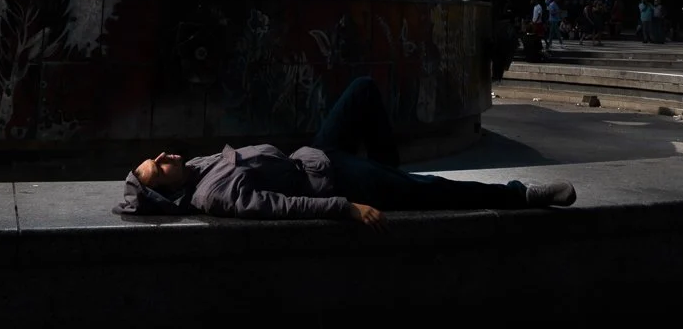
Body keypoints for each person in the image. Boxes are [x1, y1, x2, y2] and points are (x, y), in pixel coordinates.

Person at [114, 77, 576, 223]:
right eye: (159, 168)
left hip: (317, 154)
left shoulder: (196, 168)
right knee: (435, 191)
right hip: (335, 179)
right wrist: (346, 208)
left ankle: (390, 176)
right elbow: (280, 206)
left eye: (156, 157)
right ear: (169, 193)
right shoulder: (211, 194)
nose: (164, 157)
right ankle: (521, 195)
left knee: (362, 90)